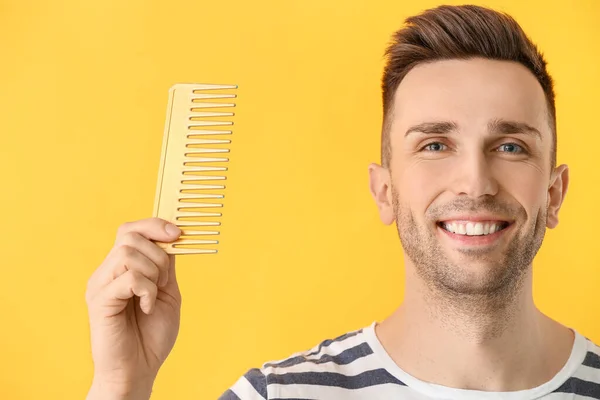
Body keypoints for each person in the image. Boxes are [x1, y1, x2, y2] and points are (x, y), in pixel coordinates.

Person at [85, 4, 600, 400]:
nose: (475, 181)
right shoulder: (278, 396)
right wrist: (122, 383)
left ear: (554, 194)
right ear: (385, 192)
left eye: (510, 146)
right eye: (435, 145)